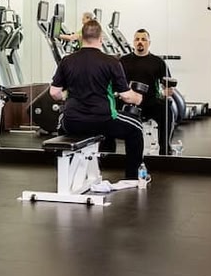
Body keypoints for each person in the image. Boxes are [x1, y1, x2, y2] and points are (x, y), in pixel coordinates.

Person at [49, 20, 144, 179]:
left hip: (73, 121)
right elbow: (126, 96)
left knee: (62, 125)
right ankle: (132, 178)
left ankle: (65, 176)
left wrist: (66, 96)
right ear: (101, 38)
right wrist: (138, 98)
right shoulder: (111, 61)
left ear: (82, 38)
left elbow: (54, 93)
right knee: (136, 128)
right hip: (103, 120)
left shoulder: (67, 60)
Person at [120, 29, 174, 155]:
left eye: (143, 39)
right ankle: (108, 151)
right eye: (137, 39)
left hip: (149, 102)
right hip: (127, 101)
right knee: (108, 110)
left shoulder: (158, 62)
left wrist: (168, 91)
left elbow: (167, 85)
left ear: (149, 43)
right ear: (133, 42)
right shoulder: (123, 61)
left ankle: (165, 148)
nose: (140, 42)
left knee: (166, 110)